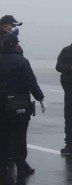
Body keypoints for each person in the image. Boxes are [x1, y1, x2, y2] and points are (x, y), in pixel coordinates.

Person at [0, 33, 46, 176]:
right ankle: (21, 165)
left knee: (3, 135)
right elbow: (30, 82)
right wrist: (41, 98)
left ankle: (3, 165)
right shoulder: (21, 61)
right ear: (16, 45)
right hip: (18, 103)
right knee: (19, 136)